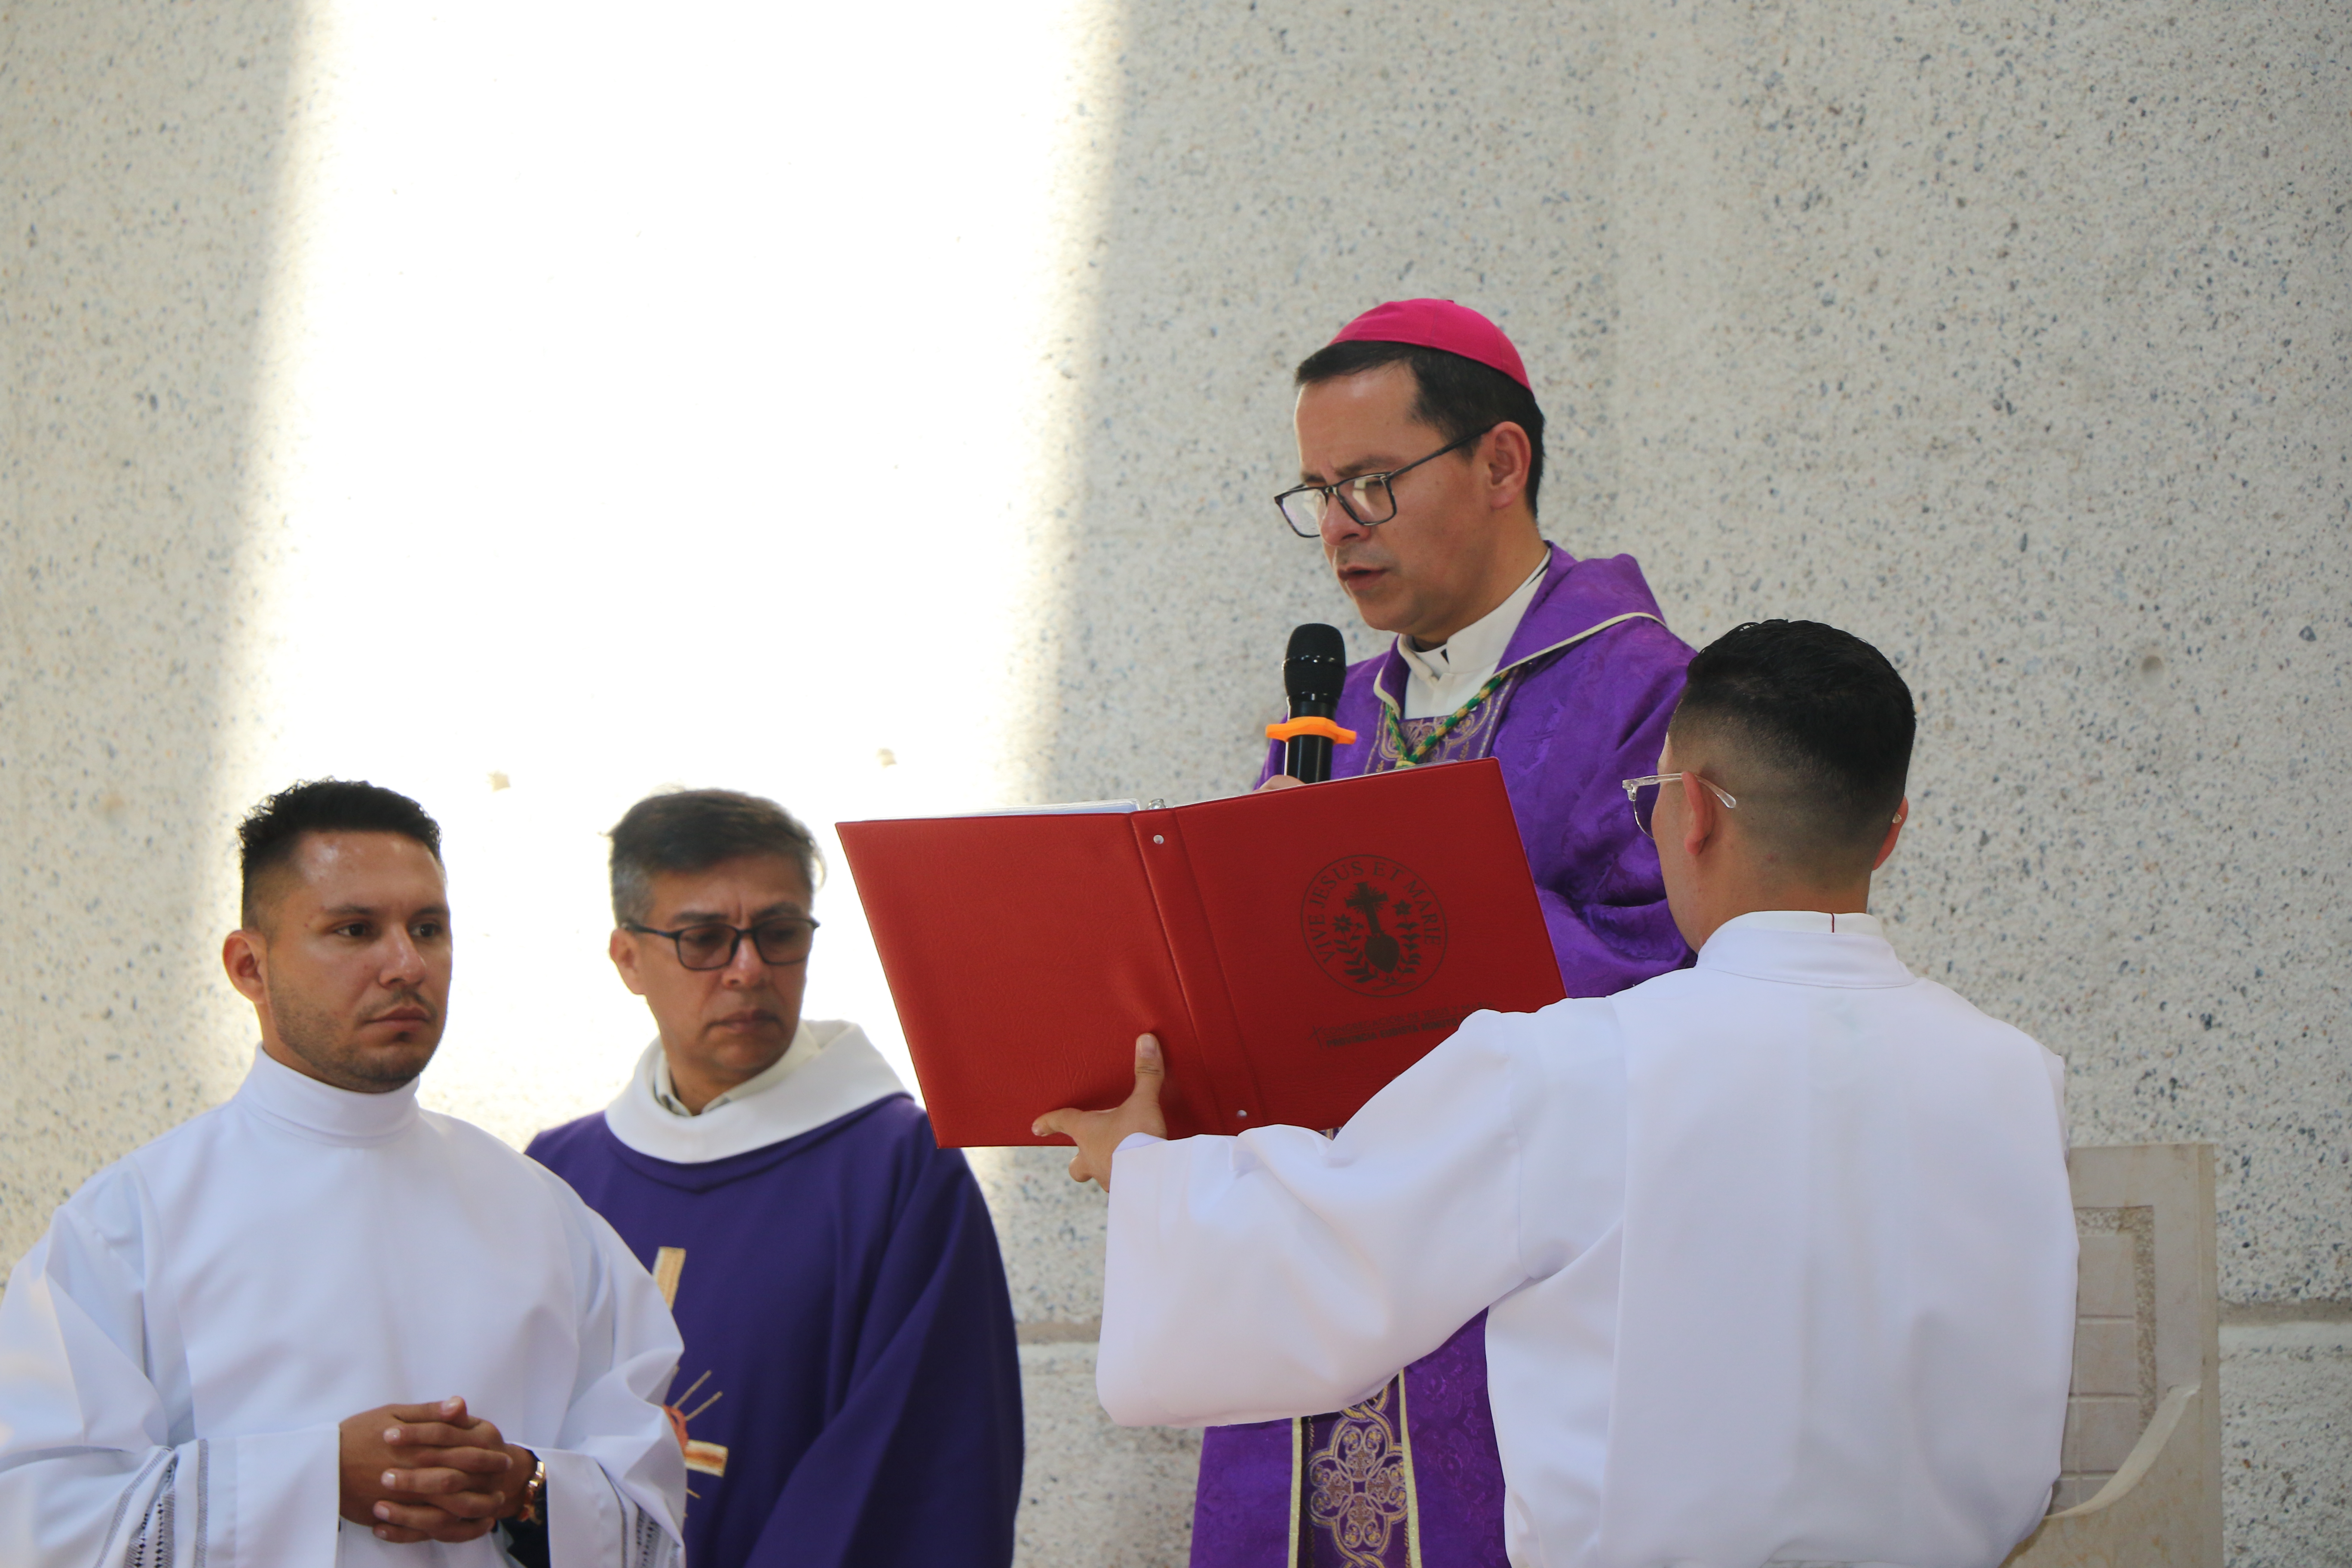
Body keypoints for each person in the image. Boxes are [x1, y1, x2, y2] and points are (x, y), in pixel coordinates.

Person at [1044, 621, 2078, 1568]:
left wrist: (1143, 1167)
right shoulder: (2014, 1080)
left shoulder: (1576, 1067)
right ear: (1891, 832)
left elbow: (1325, 1262)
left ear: (1691, 814)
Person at [1207, 299, 1700, 1564]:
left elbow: (1678, 970)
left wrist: (1414, 916)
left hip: (1528, 1277)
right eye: (1317, 492)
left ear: (1500, 463)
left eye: (1372, 483)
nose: (1337, 527)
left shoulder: (1644, 689)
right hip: (1324, 1267)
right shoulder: (1331, 714)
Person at [0, 779, 686, 1567]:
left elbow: (649, 1506)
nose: (406, 964)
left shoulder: (546, 1216)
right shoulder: (126, 1228)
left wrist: (525, 1489)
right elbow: (41, 1520)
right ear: (250, 967)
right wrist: (316, 1477)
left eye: (427, 929)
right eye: (355, 930)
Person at [528, 789, 1023, 1568]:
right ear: (628, 959)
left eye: (779, 933)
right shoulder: (559, 1177)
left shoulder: (899, 1168)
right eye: (704, 939)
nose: (749, 970)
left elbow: (915, 1473)